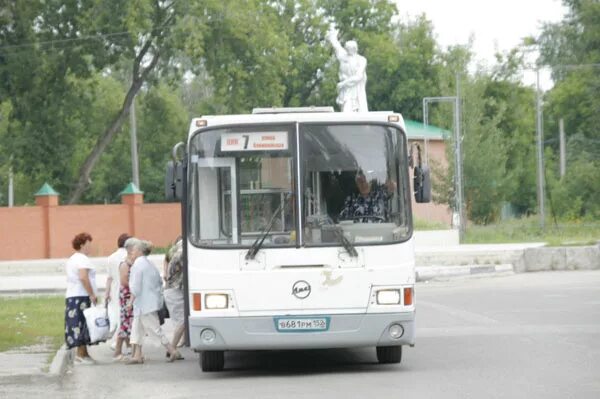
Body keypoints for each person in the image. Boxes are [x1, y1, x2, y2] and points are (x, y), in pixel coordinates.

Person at [125, 238, 181, 364]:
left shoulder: (137, 265)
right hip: (148, 302)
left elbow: (135, 286)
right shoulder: (149, 264)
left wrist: (130, 301)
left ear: (139, 251)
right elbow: (159, 282)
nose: (130, 255)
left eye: (132, 252)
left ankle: (172, 350)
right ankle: (137, 355)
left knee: (154, 329)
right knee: (137, 329)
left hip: (144, 304)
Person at [64, 232, 97, 365]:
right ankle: (80, 355)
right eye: (88, 244)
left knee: (79, 323)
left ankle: (84, 353)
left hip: (73, 295)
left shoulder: (73, 258)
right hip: (81, 295)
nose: (90, 247)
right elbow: (83, 277)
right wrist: (92, 294)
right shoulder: (82, 259)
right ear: (82, 245)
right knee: (82, 324)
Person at [326, 27, 368, 112]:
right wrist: (333, 37)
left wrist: (343, 83)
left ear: (354, 49)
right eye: (347, 49)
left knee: (359, 111)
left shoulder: (361, 60)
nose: (348, 51)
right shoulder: (344, 56)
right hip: (347, 91)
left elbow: (358, 76)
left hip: (357, 90)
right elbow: (337, 46)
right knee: (346, 110)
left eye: (349, 49)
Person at [105, 233, 130, 350]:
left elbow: (109, 277)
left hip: (114, 289)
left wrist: (106, 293)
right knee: (126, 316)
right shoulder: (129, 256)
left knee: (118, 314)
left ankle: (124, 342)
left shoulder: (111, 258)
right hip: (126, 288)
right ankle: (120, 343)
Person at [163, 236, 185, 357]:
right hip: (174, 291)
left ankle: (178, 344)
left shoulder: (174, 251)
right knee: (181, 321)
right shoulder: (181, 254)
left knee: (180, 320)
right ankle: (171, 349)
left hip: (173, 290)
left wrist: (165, 273)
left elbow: (165, 260)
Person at [111, 247, 134, 362]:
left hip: (130, 295)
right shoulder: (125, 265)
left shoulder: (131, 263)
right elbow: (124, 281)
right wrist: (136, 286)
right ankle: (117, 351)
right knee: (125, 324)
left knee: (130, 324)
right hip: (126, 296)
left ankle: (134, 352)